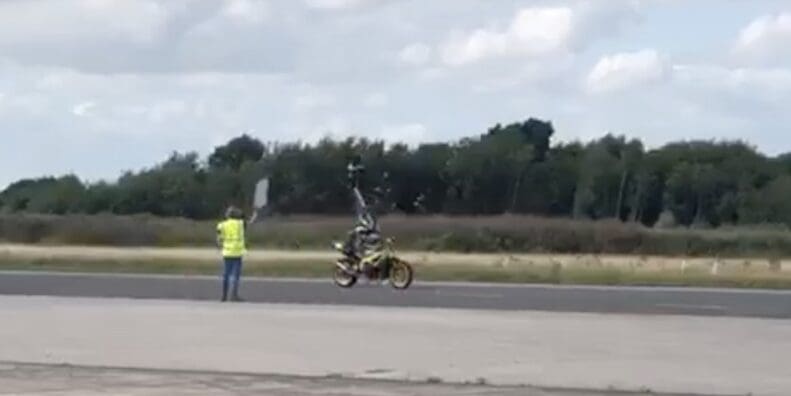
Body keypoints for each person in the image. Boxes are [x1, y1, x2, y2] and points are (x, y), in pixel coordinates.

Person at [216, 205, 249, 302]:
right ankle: (234, 295)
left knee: (226, 274)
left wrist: (221, 245)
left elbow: (218, 239)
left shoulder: (221, 225)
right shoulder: (240, 224)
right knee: (236, 275)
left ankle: (224, 295)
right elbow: (245, 221)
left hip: (227, 251)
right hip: (237, 252)